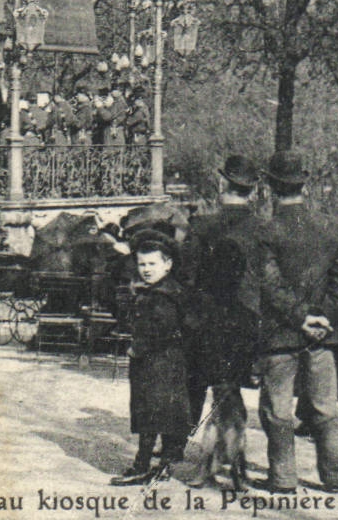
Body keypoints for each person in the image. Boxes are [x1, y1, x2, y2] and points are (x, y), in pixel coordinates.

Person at [255, 150, 338, 495]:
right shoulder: (332, 228)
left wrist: (300, 317)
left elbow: (270, 284)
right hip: (323, 335)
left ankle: (283, 478)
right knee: (326, 408)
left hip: (281, 335)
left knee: (278, 410)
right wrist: (323, 316)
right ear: (304, 185)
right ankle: (333, 477)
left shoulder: (267, 231)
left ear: (271, 187)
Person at [180, 154, 266, 491]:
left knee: (220, 394)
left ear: (222, 184)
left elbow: (187, 277)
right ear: (252, 191)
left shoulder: (201, 226)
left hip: (209, 323)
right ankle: (229, 463)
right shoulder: (262, 228)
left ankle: (213, 464)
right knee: (229, 393)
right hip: (248, 323)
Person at [112, 230, 194, 485]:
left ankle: (142, 465)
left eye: (152, 264)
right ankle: (164, 465)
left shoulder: (161, 296)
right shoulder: (165, 290)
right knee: (166, 413)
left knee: (149, 414)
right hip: (169, 361)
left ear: (167, 264)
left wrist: (137, 348)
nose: (146, 269)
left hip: (156, 362)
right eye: (142, 264)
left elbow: (160, 330)